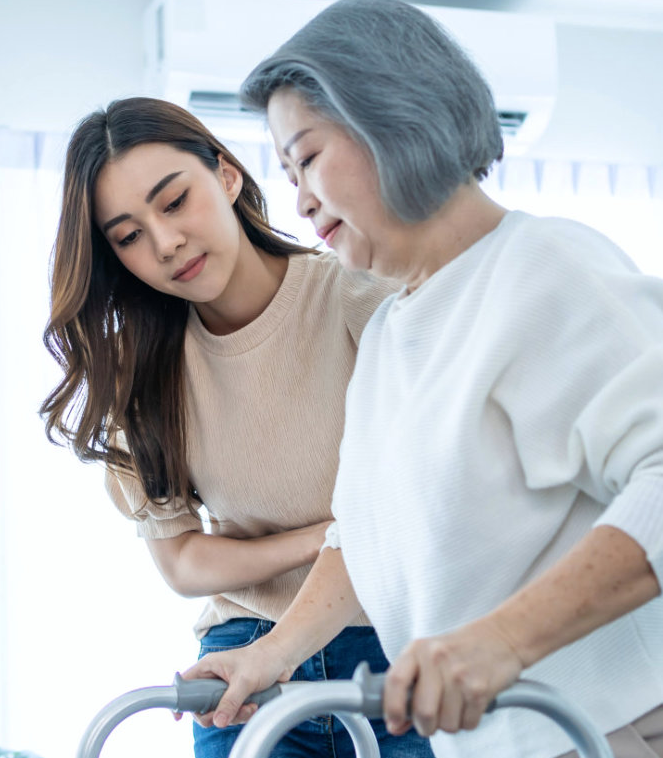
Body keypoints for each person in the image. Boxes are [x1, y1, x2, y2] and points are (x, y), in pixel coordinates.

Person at [183, 0, 663, 758]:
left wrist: (500, 642)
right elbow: (366, 541)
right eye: (288, 171)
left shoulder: (541, 267)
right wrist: (271, 655)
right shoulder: (391, 331)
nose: (300, 197)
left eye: (310, 156)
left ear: (390, 116)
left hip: (621, 715)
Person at [41, 97, 432, 758]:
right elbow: (185, 560)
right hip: (244, 654)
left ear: (225, 175)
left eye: (174, 201)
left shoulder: (354, 296)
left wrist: (343, 540)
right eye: (129, 236)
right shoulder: (139, 373)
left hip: (392, 641)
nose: (166, 243)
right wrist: (325, 537)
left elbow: (420, 501)